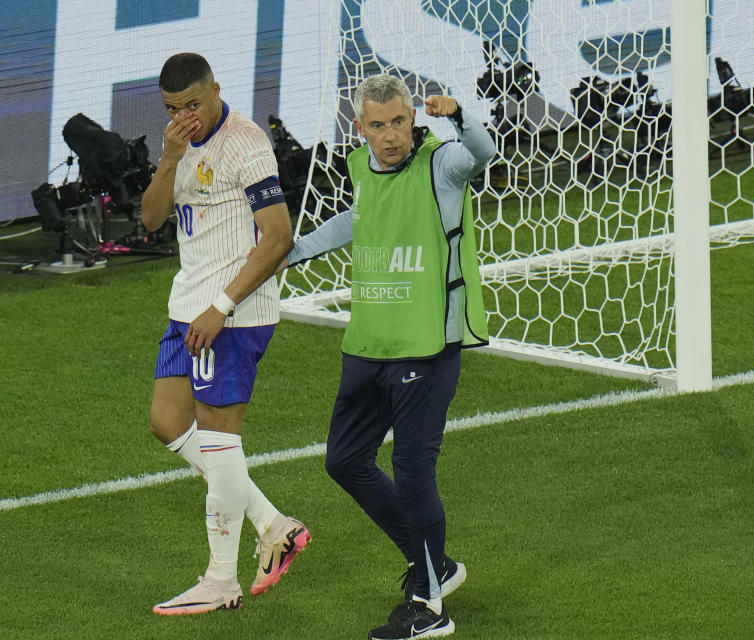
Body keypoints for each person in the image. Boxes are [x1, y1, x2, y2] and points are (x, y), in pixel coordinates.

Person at [284, 74, 495, 639]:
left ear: (412, 119)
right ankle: (437, 568)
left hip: (426, 347)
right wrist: (295, 250)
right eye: (378, 125)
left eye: (399, 121)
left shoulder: (441, 163)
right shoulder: (361, 167)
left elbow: (484, 151)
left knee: (411, 471)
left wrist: (459, 114)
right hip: (369, 343)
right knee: (344, 460)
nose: (391, 135)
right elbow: (361, 220)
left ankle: (430, 609)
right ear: (362, 128)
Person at [140, 52, 310, 616]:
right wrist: (167, 160)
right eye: (172, 108)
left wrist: (222, 305)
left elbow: (278, 236)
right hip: (187, 305)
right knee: (167, 421)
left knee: (218, 440)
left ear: (216, 88)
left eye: (192, 103)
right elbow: (150, 220)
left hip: (231, 313)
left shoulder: (246, 143)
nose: (184, 116)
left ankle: (220, 579)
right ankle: (273, 525)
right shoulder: (175, 144)